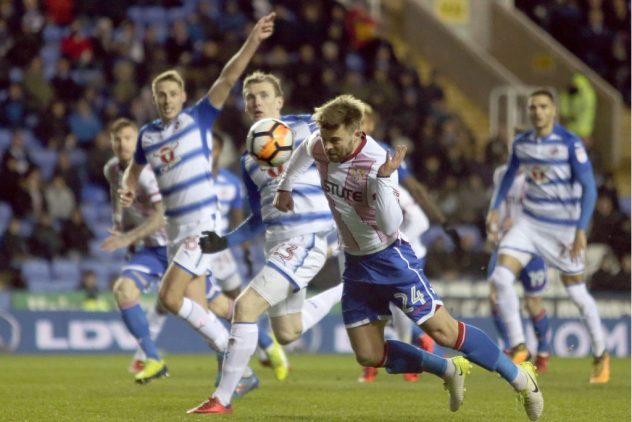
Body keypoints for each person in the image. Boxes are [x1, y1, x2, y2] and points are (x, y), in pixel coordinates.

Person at [274, 95, 543, 421]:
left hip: (389, 259)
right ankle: (446, 369)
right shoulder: (319, 144)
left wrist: (384, 180)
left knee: (445, 333)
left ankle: (520, 378)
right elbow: (304, 151)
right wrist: (285, 187)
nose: (328, 147)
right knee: (368, 355)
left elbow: (391, 224)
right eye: (326, 139)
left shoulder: (376, 162)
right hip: (356, 265)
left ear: (357, 133)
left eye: (335, 140)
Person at [120, 13, 277, 393]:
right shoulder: (146, 135)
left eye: (174, 94)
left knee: (168, 298)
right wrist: (127, 186)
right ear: (155, 100)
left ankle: (233, 357)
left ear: (184, 97)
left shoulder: (198, 119)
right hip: (174, 228)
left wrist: (253, 40)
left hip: (202, 224)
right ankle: (241, 370)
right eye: (162, 96)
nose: (168, 100)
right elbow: (133, 168)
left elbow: (227, 77)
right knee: (195, 307)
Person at [188, 71, 343, 415]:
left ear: (279, 101)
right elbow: (258, 217)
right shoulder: (248, 159)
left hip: (306, 241)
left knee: (244, 307)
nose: (256, 102)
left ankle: (222, 398)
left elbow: (346, 129)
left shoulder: (306, 127)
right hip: (278, 246)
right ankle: (350, 289)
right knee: (287, 332)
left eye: (263, 95)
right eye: (250, 97)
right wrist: (224, 242)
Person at [486, 89, 608, 384]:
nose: (537, 112)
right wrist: (494, 208)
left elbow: (589, 188)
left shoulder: (569, 143)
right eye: (533, 107)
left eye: (543, 107)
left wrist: (581, 228)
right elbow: (509, 175)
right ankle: (518, 345)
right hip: (529, 224)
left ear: (553, 111)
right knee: (500, 278)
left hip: (563, 230)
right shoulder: (523, 143)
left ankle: (601, 355)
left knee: (577, 293)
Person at [210, 130, 289, 381]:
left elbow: (236, 219)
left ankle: (255, 355)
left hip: (220, 252)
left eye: (211, 148)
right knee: (218, 306)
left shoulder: (231, 183)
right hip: (199, 250)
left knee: (233, 305)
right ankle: (267, 347)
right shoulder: (192, 179)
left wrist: (243, 252)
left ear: (219, 151)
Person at [101, 117, 170, 383]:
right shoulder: (111, 169)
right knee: (123, 290)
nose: (122, 144)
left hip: (176, 247)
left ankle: (265, 344)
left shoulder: (148, 172)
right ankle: (153, 358)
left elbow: (162, 215)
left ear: (138, 142)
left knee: (213, 307)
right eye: (117, 139)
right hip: (151, 249)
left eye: (128, 138)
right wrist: (119, 225)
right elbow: (115, 197)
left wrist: (129, 236)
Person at [487, 164, 551, 373]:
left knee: (532, 302)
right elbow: (498, 204)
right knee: (495, 297)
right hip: (505, 245)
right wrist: (493, 229)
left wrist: (520, 223)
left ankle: (543, 351)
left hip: (531, 247)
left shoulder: (539, 177)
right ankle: (511, 347)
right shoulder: (501, 173)